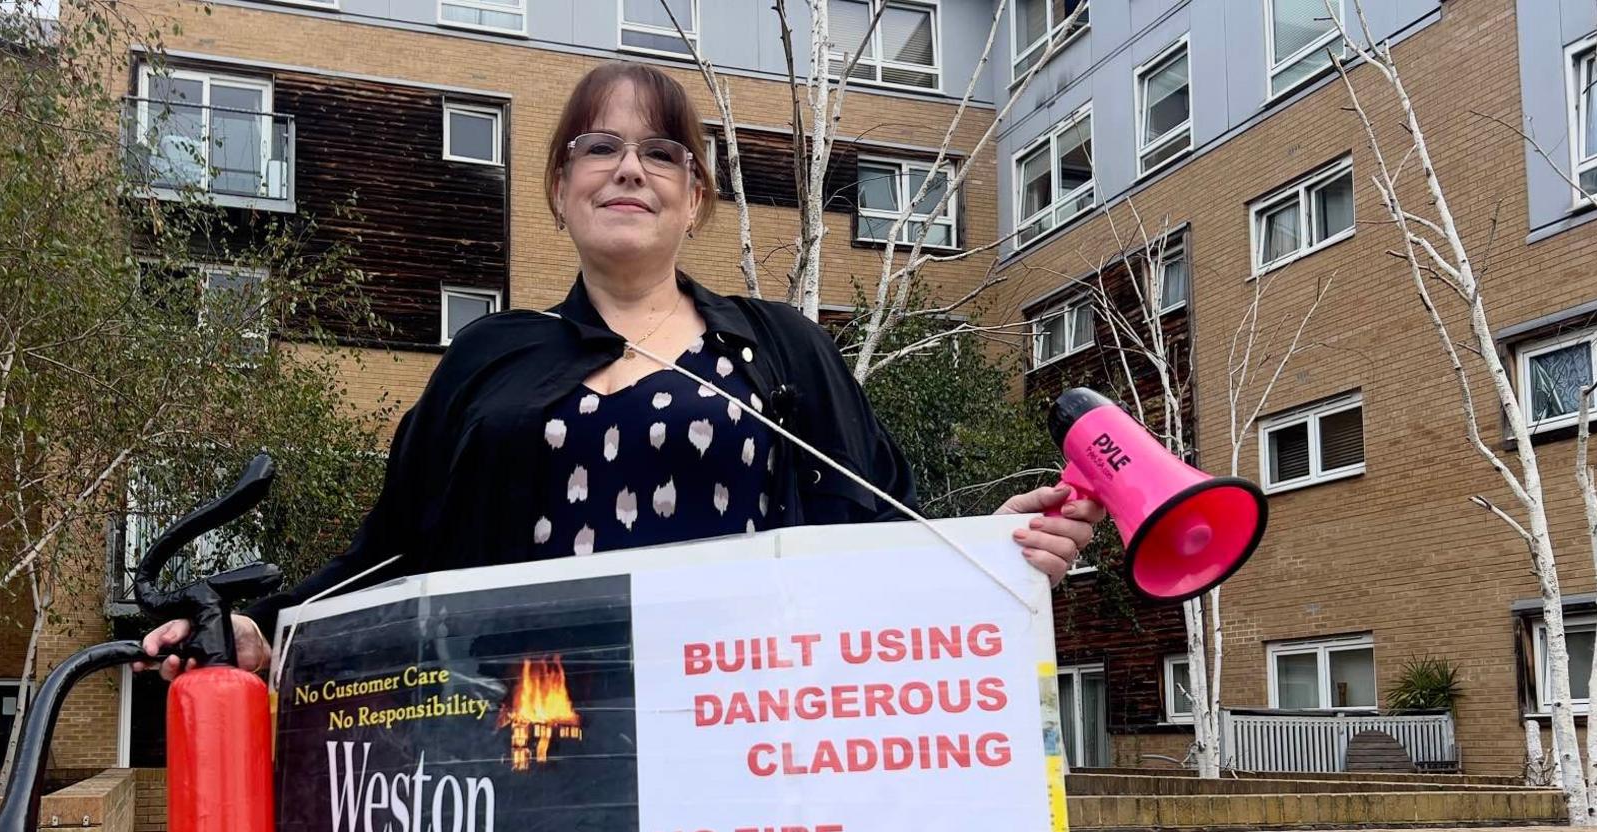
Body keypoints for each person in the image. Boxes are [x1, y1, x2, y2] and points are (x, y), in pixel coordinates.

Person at [142, 61, 1103, 679]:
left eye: (660, 152)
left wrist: (985, 546)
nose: (629, 167)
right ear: (560, 189)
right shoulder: (490, 359)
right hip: (533, 743)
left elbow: (880, 531)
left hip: (755, 739)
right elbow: (395, 553)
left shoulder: (777, 348)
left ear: (696, 198)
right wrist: (268, 629)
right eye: (598, 146)